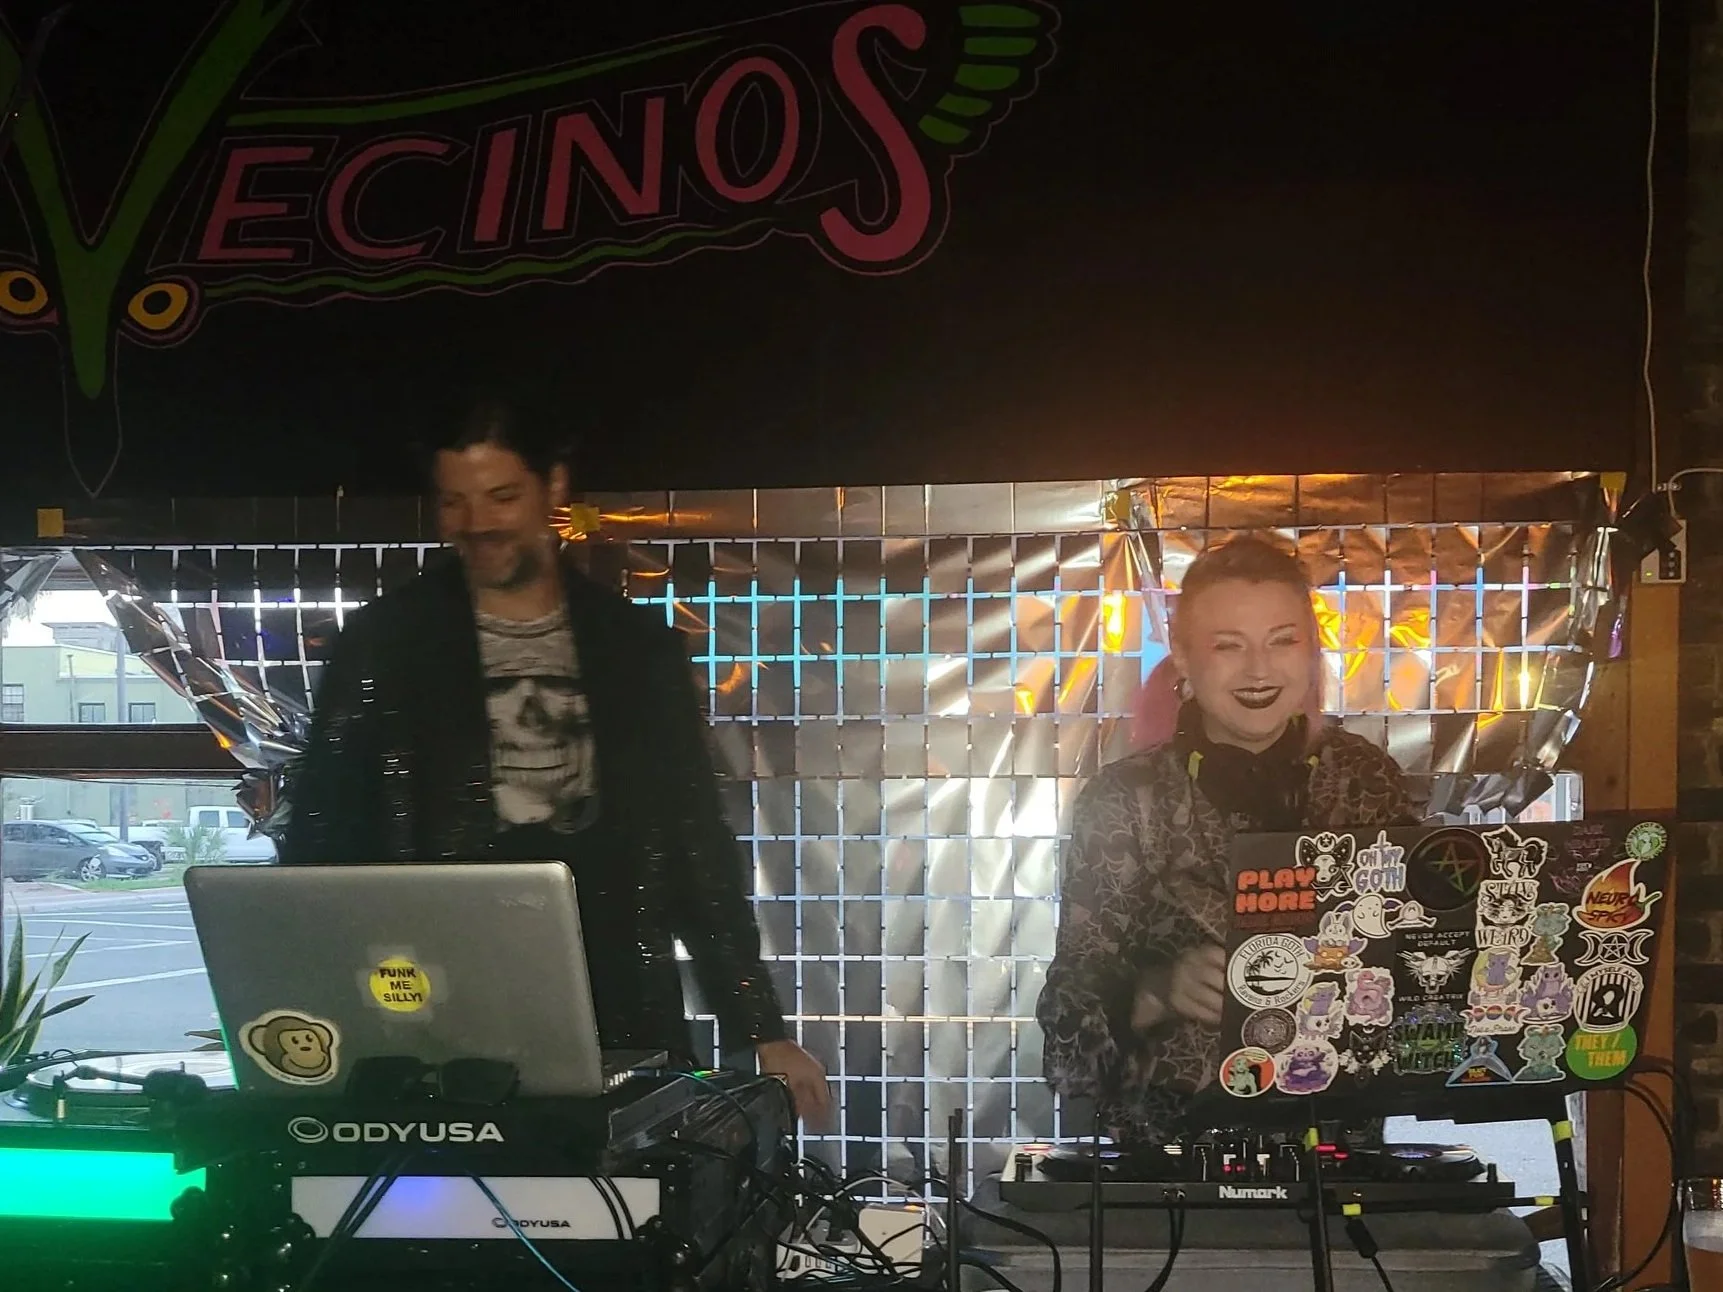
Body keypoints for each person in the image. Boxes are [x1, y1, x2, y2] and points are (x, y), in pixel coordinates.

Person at [281, 398, 832, 1121]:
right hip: (429, 996)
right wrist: (311, 1010)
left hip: (616, 997)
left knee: (609, 1180)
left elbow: (694, 842)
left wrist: (762, 1028)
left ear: (554, 488)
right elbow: (321, 834)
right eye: (454, 501)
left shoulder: (636, 651)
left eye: (501, 496)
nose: (477, 522)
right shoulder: (383, 644)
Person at [1034, 535, 1417, 1143]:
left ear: (1313, 650)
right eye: (1228, 645)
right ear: (1183, 658)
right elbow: (1066, 1036)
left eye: (1283, 640)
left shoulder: (1365, 780)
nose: (1259, 670)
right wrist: (1157, 991)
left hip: (1337, 1149)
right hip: (1170, 1158)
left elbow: (1423, 959)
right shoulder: (1125, 798)